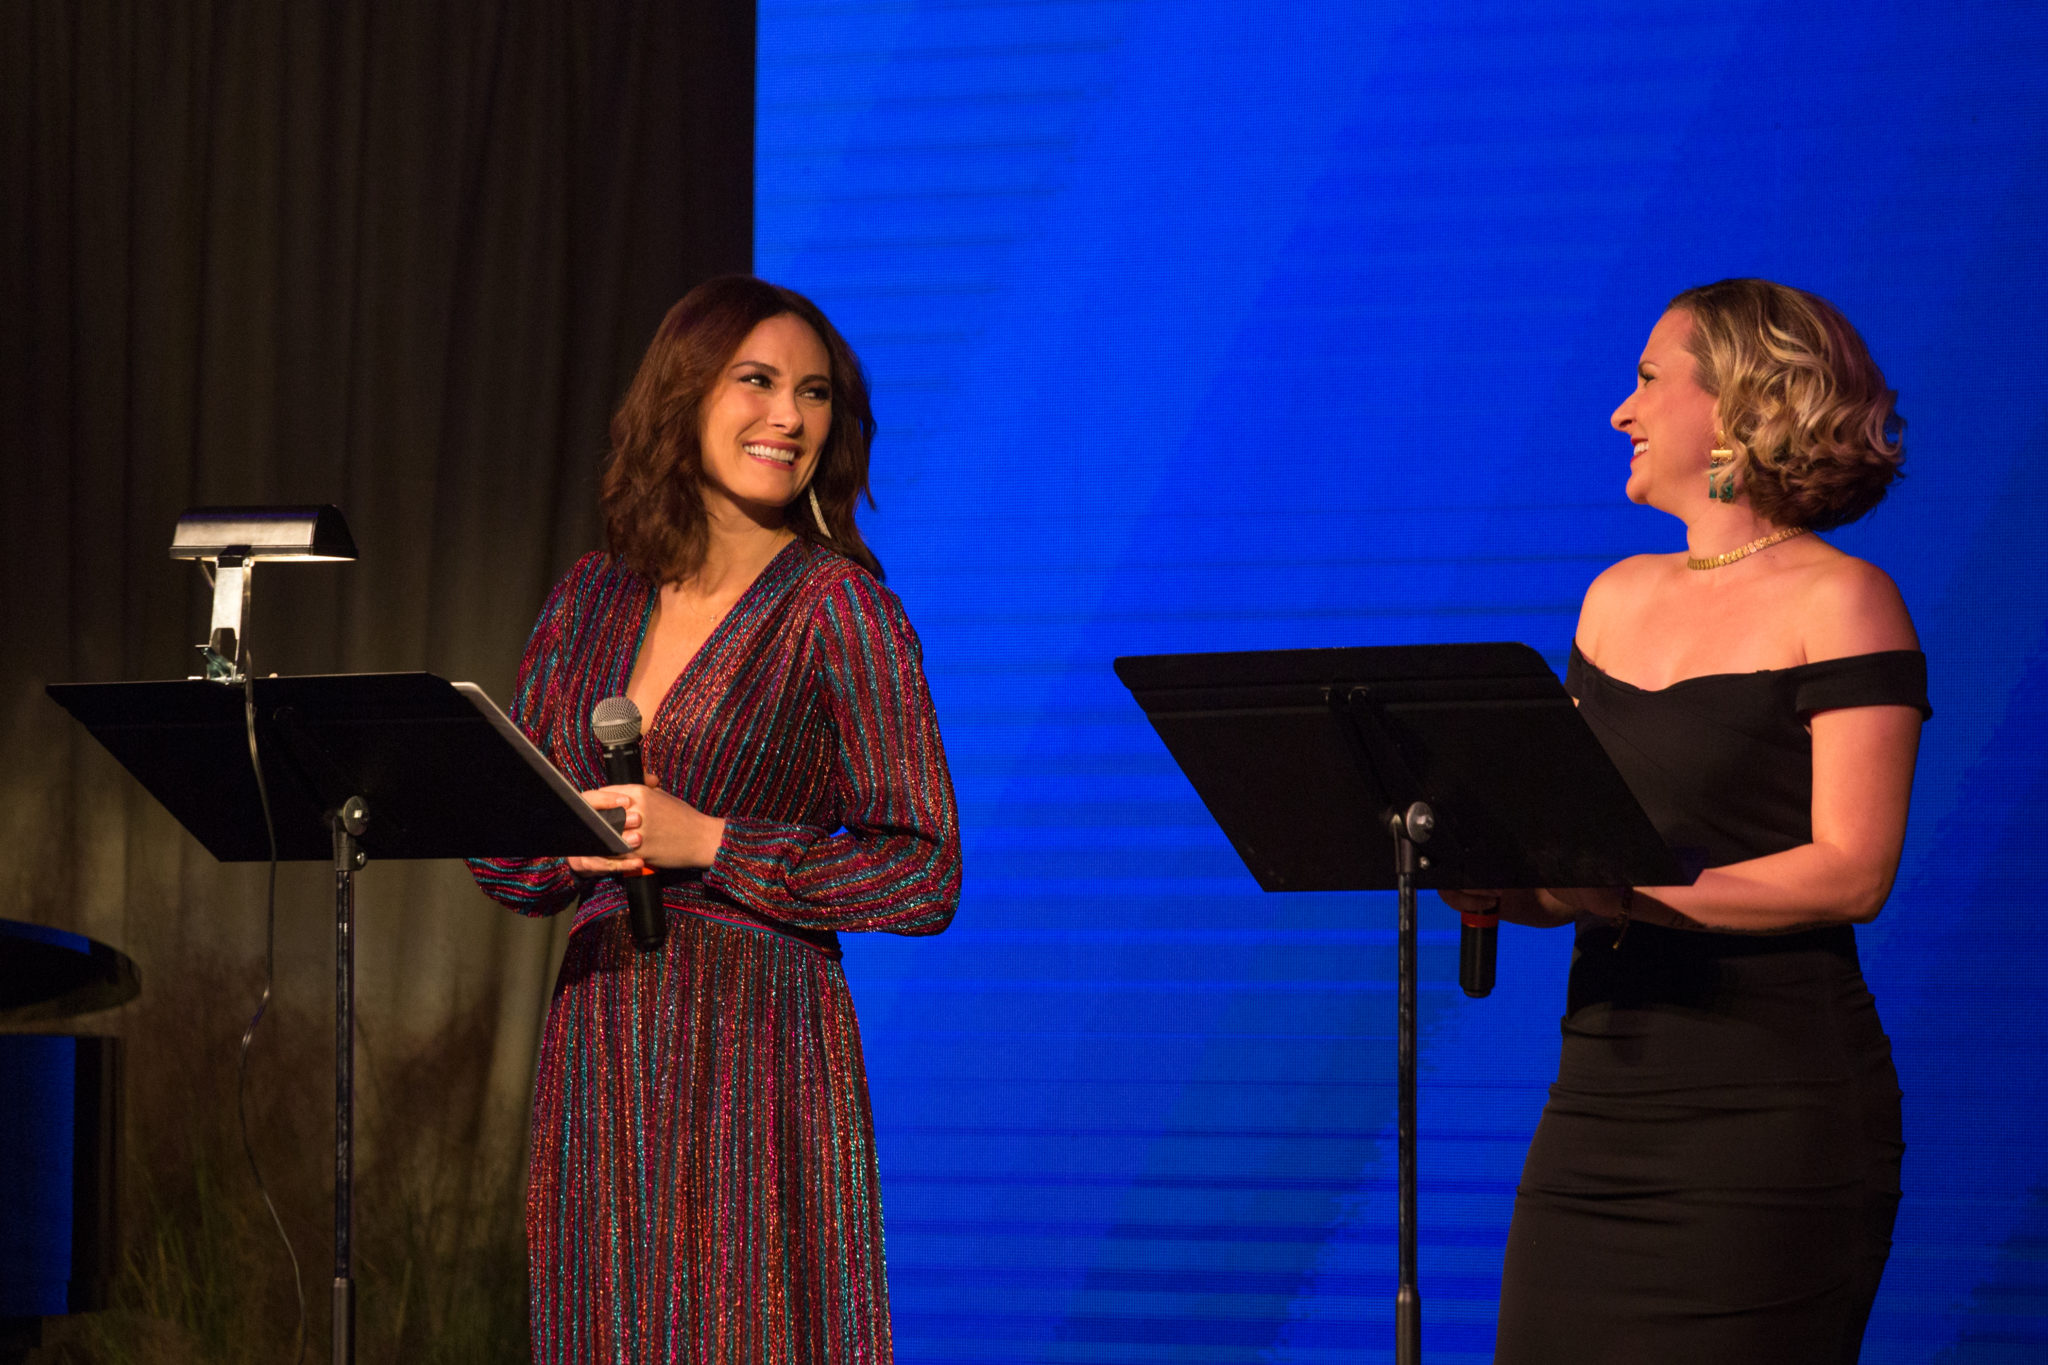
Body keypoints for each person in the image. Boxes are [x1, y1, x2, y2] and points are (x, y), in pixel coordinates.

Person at [468, 276, 961, 1363]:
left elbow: (922, 872)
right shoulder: (590, 599)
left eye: (815, 393)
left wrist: (718, 843)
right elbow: (509, 875)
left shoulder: (841, 611)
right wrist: (538, 830)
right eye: (757, 381)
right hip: (602, 1040)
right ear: (682, 395)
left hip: (758, 1047)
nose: (788, 416)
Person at [1448, 279, 1927, 1363]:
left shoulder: (1840, 600)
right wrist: (1491, 876)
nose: (1623, 411)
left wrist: (1636, 890)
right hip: (1598, 1105)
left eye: (1648, 380)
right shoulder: (1612, 597)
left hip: (1764, 1117)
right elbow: (1571, 855)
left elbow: (1851, 871)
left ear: (1738, 405)